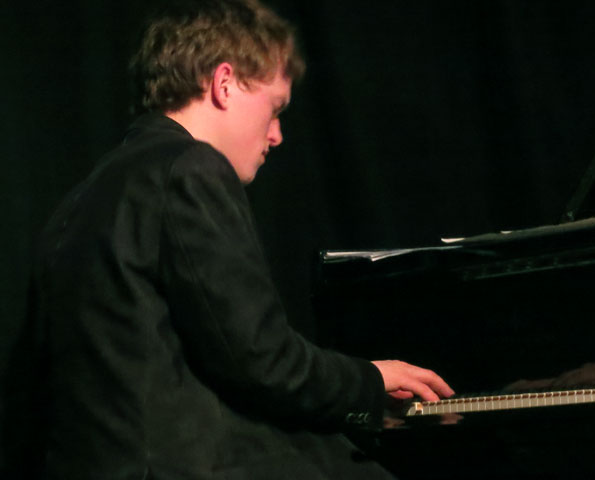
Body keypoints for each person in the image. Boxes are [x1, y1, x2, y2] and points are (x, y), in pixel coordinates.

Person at [8, 1, 454, 478]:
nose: (277, 135)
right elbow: (261, 361)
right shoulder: (190, 168)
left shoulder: (86, 195)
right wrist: (370, 381)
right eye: (275, 108)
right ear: (224, 83)